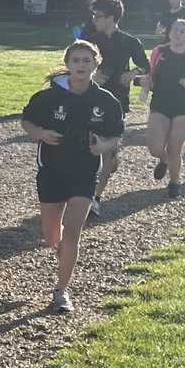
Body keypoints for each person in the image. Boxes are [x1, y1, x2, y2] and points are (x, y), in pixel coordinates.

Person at [21, 41, 123, 316]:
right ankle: (62, 249)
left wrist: (104, 147)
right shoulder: (48, 97)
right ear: (67, 64)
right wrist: (41, 134)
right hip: (52, 169)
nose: (80, 64)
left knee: (73, 233)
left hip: (84, 171)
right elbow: (27, 121)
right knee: (51, 235)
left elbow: (115, 135)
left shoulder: (105, 101)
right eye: (75, 60)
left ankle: (61, 291)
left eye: (86, 60)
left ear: (95, 64)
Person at [84, 0, 149, 215]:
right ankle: (85, 191)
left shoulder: (130, 41)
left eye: (98, 16)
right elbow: (72, 65)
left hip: (118, 100)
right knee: (91, 146)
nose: (94, 19)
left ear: (111, 18)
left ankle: (95, 198)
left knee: (108, 152)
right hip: (89, 98)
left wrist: (133, 72)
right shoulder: (88, 40)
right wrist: (92, 76)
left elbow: (145, 65)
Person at [143, 19, 185, 199]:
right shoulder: (159, 51)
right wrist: (145, 80)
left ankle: (175, 181)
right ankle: (164, 160)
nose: (178, 33)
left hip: (184, 105)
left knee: (174, 147)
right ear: (169, 32)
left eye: (183, 31)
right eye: (175, 30)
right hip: (160, 102)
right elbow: (151, 73)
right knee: (154, 147)